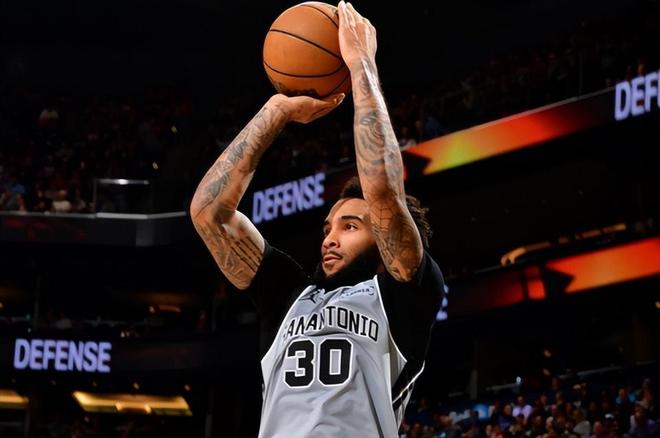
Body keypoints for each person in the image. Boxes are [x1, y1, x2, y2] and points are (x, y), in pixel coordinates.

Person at [190, 2, 445, 436]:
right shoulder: (288, 296)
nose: (330, 238)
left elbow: (383, 192)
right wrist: (275, 112)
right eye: (328, 228)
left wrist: (361, 64)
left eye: (350, 226)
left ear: (384, 241)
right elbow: (208, 213)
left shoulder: (403, 295)